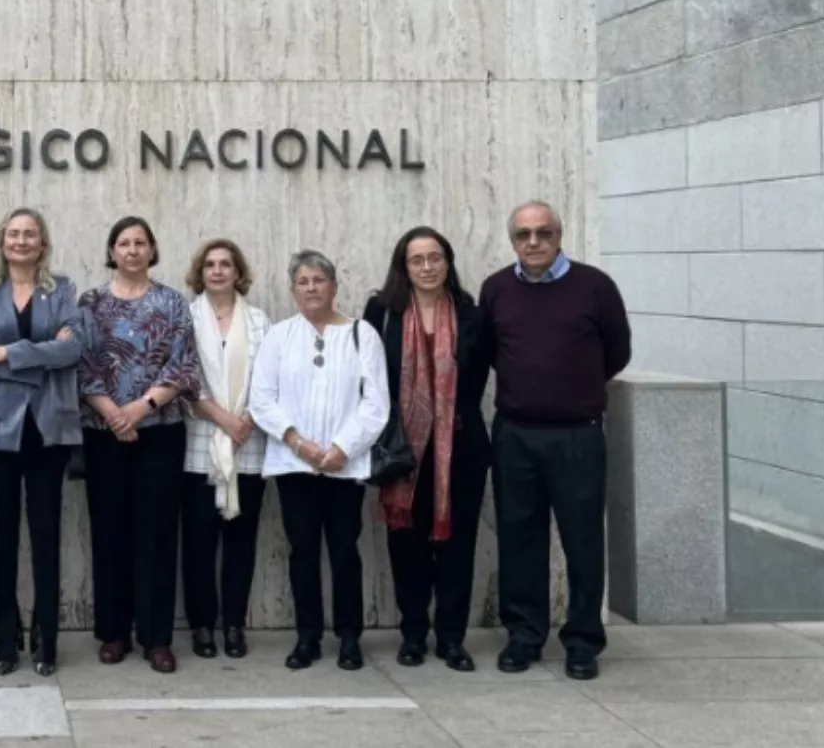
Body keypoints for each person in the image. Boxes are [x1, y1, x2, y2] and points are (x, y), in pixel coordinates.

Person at [480, 201, 630, 682]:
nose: (534, 242)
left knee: (583, 542)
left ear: (559, 235)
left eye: (543, 233)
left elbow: (617, 351)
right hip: (516, 435)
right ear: (513, 241)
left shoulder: (595, 287)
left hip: (577, 437)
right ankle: (524, 636)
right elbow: (490, 352)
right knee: (520, 539)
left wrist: (572, 390)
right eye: (524, 234)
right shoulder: (496, 290)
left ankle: (583, 642)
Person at [251, 250, 387, 672]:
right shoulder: (279, 336)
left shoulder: (363, 334)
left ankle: (349, 638)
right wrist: (298, 442)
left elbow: (376, 403)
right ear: (293, 290)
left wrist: (341, 449)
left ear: (333, 286)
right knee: (303, 552)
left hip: (345, 466)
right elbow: (262, 399)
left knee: (345, 551)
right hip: (295, 466)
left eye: (318, 280)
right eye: (303, 281)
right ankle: (307, 637)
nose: (311, 288)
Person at [363, 226, 490, 673]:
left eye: (435, 257)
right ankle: (413, 635)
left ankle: (452, 639)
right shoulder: (382, 312)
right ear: (404, 266)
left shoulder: (473, 314)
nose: (427, 267)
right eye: (417, 260)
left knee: (458, 546)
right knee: (407, 546)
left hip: (462, 450)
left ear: (448, 262)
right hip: (403, 452)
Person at [0, 208, 86, 678]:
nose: (21, 241)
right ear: (2, 242)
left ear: (43, 243)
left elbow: (74, 349)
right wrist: (43, 352)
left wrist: (10, 352)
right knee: (1, 537)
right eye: (13, 234)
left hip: (49, 427)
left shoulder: (63, 290)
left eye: (29, 234)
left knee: (45, 536)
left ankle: (47, 641)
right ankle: (4, 640)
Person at [78, 216, 198, 674]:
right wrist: (113, 413)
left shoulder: (172, 302)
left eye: (140, 243)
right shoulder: (90, 303)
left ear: (152, 250)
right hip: (103, 433)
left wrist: (140, 409)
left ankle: (157, 638)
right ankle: (114, 633)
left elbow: (183, 366)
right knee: (110, 533)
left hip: (160, 431)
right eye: (123, 243)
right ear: (112, 251)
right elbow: (80, 365)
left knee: (158, 534)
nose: (131, 250)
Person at [180, 239, 270, 661]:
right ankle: (202, 625)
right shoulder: (185, 318)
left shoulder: (259, 322)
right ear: (201, 272)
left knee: (241, 541)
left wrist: (246, 420)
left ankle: (233, 623)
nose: (217, 271)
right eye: (210, 265)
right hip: (201, 445)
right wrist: (224, 419)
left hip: (248, 445)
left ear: (238, 273)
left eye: (225, 264)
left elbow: (270, 381)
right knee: (199, 544)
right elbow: (183, 380)